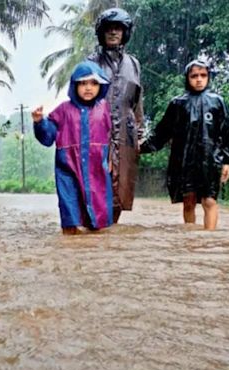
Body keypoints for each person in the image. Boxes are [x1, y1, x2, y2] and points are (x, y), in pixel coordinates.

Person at [140, 59, 229, 230]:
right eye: (194, 76)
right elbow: (162, 132)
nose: (199, 79)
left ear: (208, 77)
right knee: (188, 200)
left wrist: (227, 161)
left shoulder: (217, 102)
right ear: (187, 78)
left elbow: (226, 134)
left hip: (211, 161)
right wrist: (140, 148)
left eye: (203, 75)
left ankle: (209, 238)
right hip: (184, 162)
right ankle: (190, 237)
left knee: (209, 200)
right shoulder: (178, 103)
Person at [32, 60, 113, 235]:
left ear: (101, 86)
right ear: (74, 85)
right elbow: (48, 137)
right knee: (70, 216)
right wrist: (39, 122)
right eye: (83, 83)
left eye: (93, 83)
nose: (88, 88)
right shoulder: (63, 110)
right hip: (68, 168)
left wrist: (112, 158)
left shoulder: (104, 108)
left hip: (96, 169)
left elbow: (113, 135)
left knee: (96, 219)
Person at [88, 7, 144, 223]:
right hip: (98, 132)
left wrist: (139, 134)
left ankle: (111, 231)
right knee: (97, 184)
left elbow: (138, 101)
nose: (113, 33)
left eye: (118, 29)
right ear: (102, 33)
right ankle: (96, 231)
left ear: (125, 32)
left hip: (127, 134)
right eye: (109, 29)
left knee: (121, 192)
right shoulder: (91, 62)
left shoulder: (134, 64)